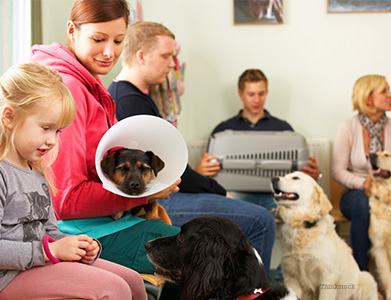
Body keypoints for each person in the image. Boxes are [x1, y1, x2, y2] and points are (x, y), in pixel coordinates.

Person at [108, 21, 276, 274]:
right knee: (261, 220)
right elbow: (175, 174)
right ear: (141, 56)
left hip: (168, 192)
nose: (173, 64)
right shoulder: (130, 102)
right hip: (162, 198)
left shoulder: (133, 97)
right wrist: (219, 191)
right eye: (166, 56)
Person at [30, 0, 180, 275]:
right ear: (71, 31)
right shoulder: (71, 89)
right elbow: (65, 201)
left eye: (119, 40)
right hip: (79, 233)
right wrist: (145, 195)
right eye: (98, 39)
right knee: (208, 257)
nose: (109, 52)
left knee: (207, 247)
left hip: (104, 221)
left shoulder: (91, 82)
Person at [0, 62, 147, 300]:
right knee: (114, 289)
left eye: (57, 132)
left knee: (132, 280)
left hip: (38, 262)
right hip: (8, 276)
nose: (51, 141)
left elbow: (48, 231)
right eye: (46, 128)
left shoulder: (38, 173)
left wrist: (76, 246)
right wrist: (49, 251)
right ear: (9, 117)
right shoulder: (3, 174)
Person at [195, 69, 321, 212]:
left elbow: (296, 176)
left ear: (267, 93)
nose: (256, 100)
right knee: (222, 207)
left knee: (303, 208)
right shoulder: (223, 130)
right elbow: (205, 166)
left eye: (261, 94)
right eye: (251, 94)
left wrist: (315, 175)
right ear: (240, 94)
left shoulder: (283, 129)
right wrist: (199, 170)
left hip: (276, 195)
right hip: (236, 194)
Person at [332, 74, 391, 271]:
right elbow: (338, 171)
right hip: (356, 193)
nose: (390, 95)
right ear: (368, 98)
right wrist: (363, 184)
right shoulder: (347, 127)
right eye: (384, 91)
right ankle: (363, 276)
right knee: (364, 203)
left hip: (390, 195)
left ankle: (387, 278)